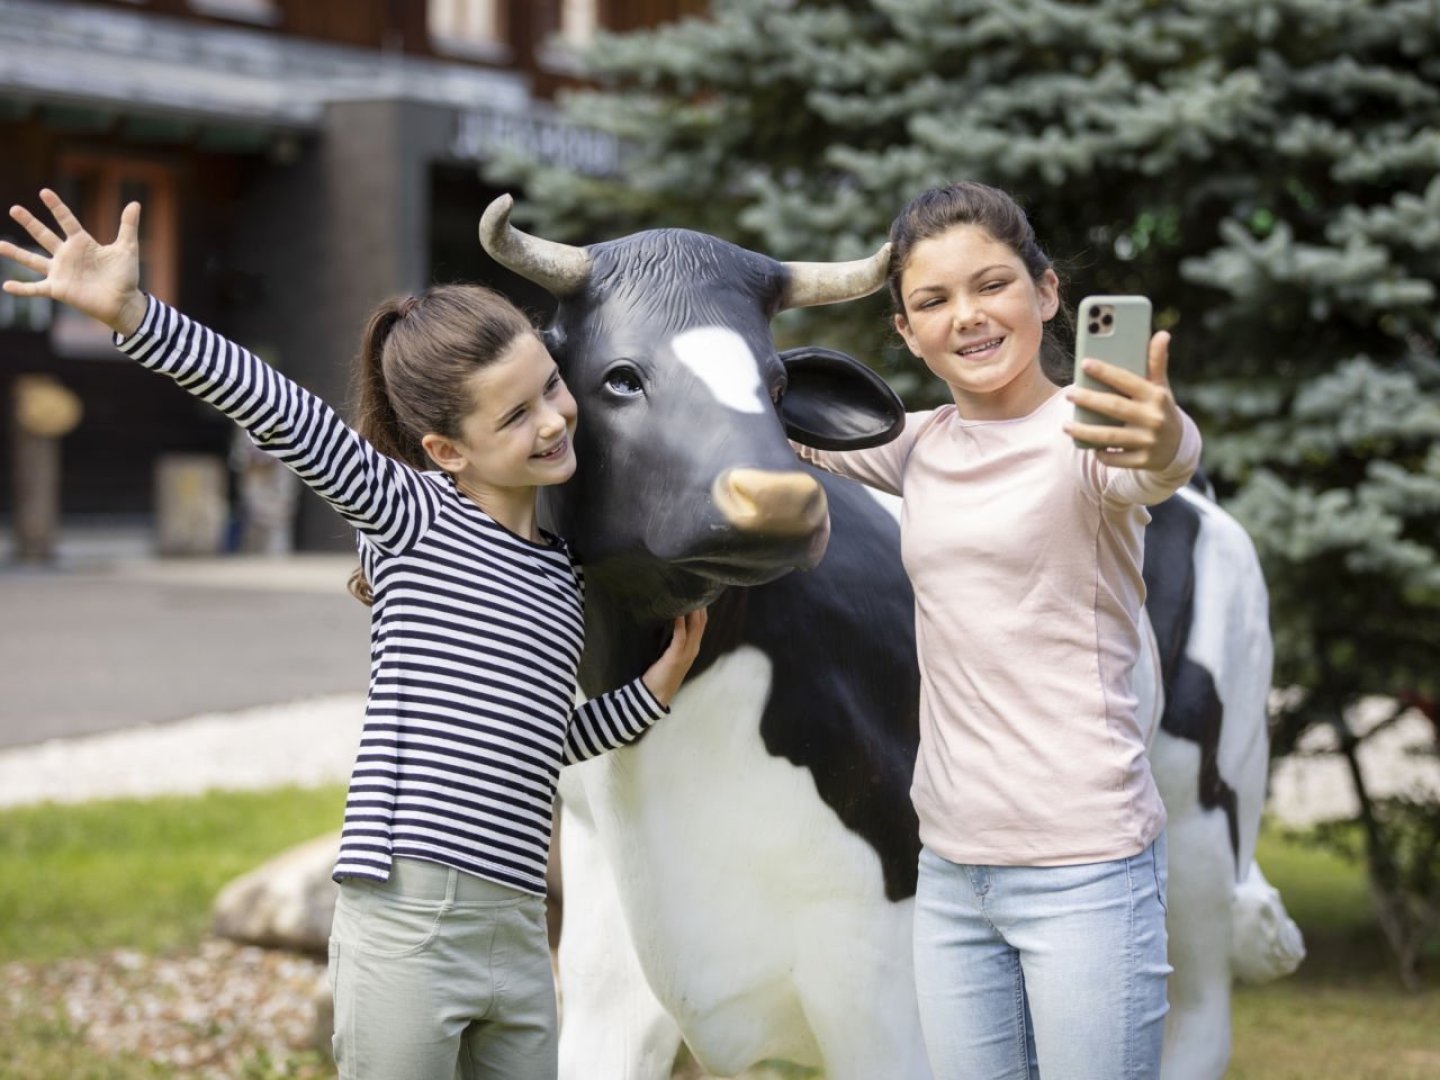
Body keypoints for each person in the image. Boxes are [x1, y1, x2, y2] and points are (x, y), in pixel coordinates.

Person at [1, 189, 707, 1080]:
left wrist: (653, 690)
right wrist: (137, 314)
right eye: (515, 415)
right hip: (410, 918)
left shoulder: (559, 573)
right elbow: (282, 413)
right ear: (447, 450)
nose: (556, 419)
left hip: (520, 931)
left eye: (551, 389)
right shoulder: (413, 518)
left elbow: (540, 742)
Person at [792, 181, 1200, 1080]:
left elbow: (1158, 461)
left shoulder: (1091, 437)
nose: (967, 317)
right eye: (933, 301)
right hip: (952, 877)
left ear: (1046, 293)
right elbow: (767, 413)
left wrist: (1162, 430)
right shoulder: (918, 444)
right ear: (905, 332)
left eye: (992, 285)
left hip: (1086, 871)